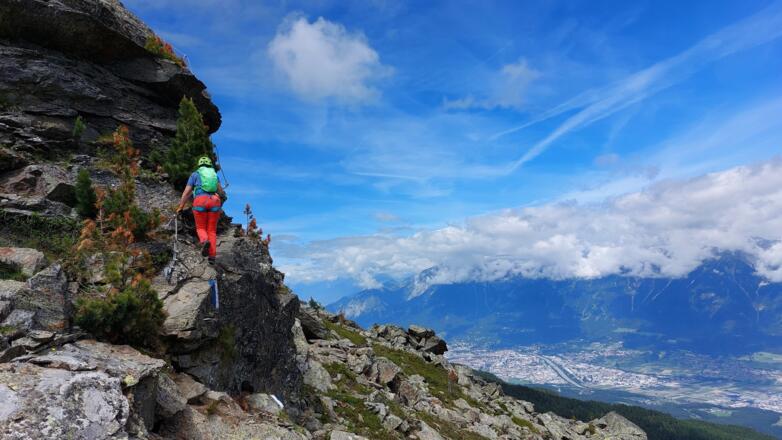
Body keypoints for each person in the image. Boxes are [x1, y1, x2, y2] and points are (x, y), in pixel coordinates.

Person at [176, 156, 226, 262]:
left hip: (200, 201)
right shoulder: (214, 175)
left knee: (200, 228)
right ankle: (212, 257)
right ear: (209, 165)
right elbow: (221, 192)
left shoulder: (195, 174)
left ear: (199, 165)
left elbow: (186, 192)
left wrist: (181, 207)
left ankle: (204, 241)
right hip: (214, 201)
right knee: (212, 230)